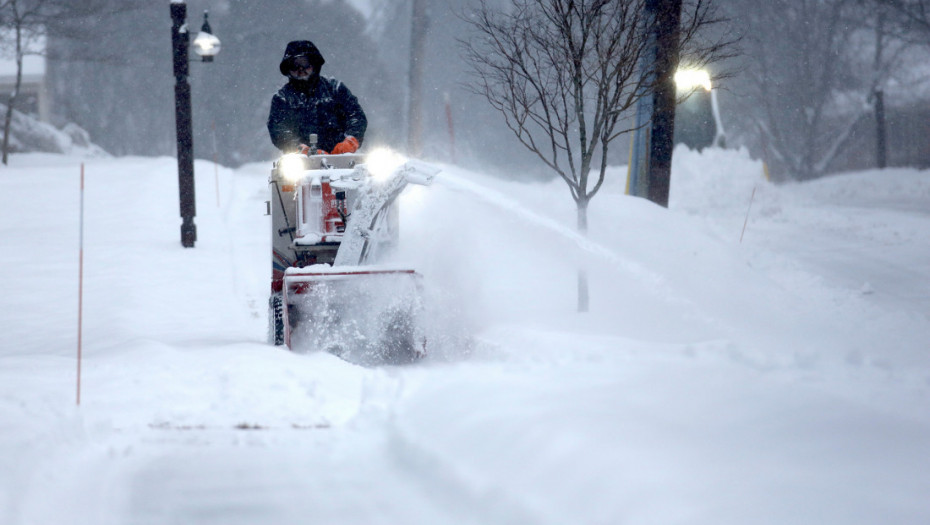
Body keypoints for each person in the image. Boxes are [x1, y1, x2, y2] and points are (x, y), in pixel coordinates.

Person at [267, 40, 367, 155]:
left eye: (304, 64)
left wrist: (350, 141)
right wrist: (299, 149)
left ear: (314, 65)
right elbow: (278, 129)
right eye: (295, 66)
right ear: (288, 69)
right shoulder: (282, 98)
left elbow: (356, 116)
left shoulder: (335, 89)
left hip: (342, 158)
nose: (301, 70)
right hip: (300, 163)